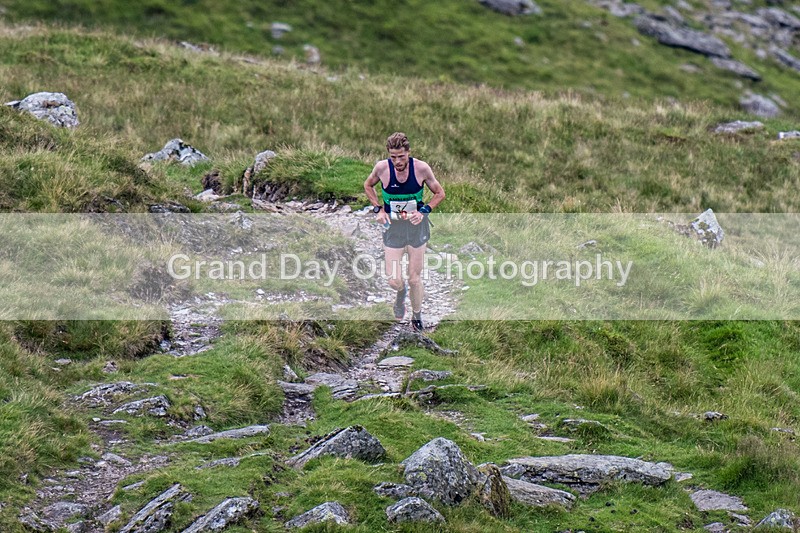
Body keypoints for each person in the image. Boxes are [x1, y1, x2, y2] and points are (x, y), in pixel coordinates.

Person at [363, 132, 445, 331]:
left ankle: (417, 317)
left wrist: (424, 211)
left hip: (416, 228)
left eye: (401, 156)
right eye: (393, 157)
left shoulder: (421, 168)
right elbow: (368, 185)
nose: (397, 161)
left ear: (408, 152)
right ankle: (401, 295)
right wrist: (378, 209)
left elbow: (439, 193)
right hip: (394, 228)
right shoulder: (382, 168)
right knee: (394, 280)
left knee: (414, 278)